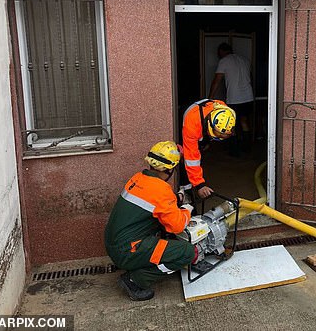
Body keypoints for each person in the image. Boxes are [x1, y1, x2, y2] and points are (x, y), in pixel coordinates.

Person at [104, 141, 199, 301]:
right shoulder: (162, 191)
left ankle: (139, 263)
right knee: (188, 252)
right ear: (170, 169)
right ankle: (135, 280)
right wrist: (186, 211)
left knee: (159, 228)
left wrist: (175, 199)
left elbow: (152, 201)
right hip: (129, 251)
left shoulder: (137, 179)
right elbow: (177, 226)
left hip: (113, 244)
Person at [181, 99, 236, 199]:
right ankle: (186, 191)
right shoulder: (191, 125)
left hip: (203, 123)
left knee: (202, 148)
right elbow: (191, 159)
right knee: (184, 157)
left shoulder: (225, 112)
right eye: (217, 135)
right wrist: (199, 185)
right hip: (191, 123)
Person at [208, 42, 254, 154]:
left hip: (234, 98)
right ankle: (247, 148)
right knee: (244, 121)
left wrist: (210, 98)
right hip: (248, 96)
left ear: (222, 52)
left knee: (231, 124)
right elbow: (250, 77)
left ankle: (234, 150)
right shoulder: (245, 60)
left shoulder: (224, 61)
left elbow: (216, 81)